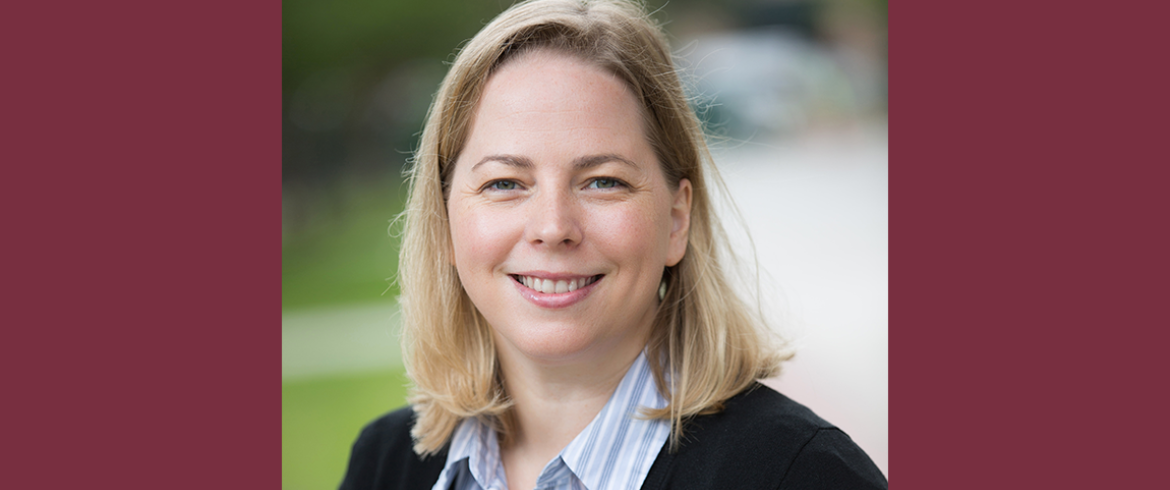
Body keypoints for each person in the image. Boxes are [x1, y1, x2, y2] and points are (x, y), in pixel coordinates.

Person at [340, 1, 887, 489]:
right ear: (443, 222)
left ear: (676, 220)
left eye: (603, 181)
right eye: (504, 183)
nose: (553, 226)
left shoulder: (803, 474)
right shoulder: (386, 464)